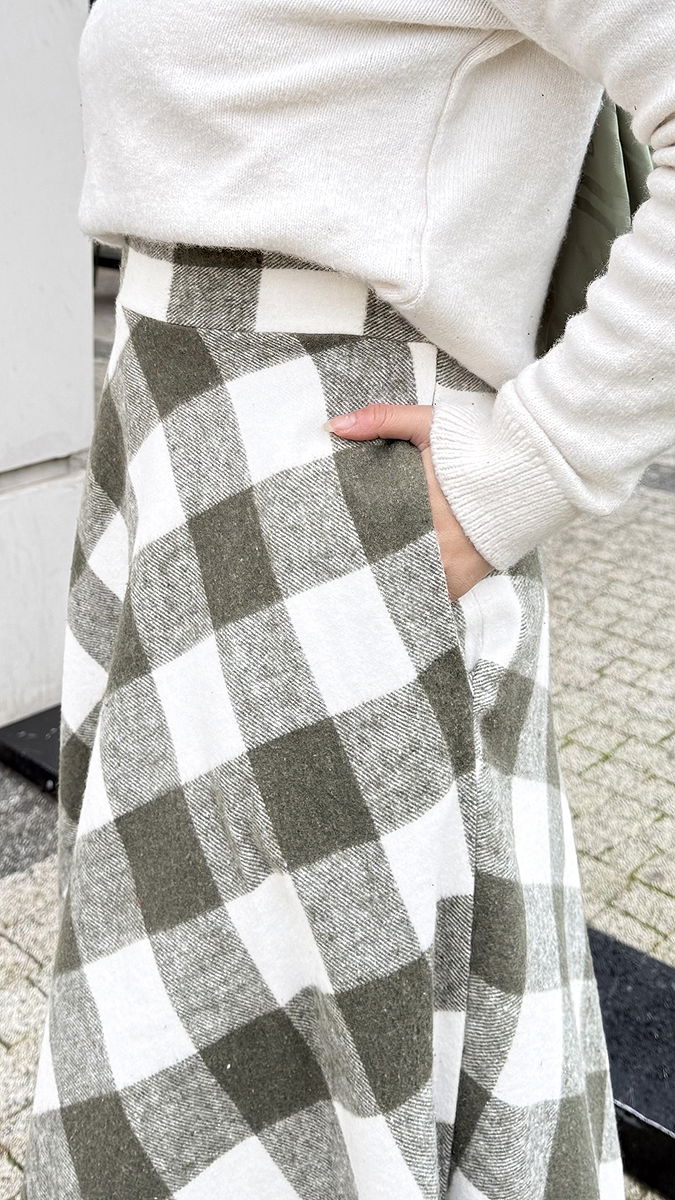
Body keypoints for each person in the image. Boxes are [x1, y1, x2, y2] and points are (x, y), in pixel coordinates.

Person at [23, 2, 675, 1197]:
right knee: (194, 1023)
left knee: (329, 1079)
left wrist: (535, 465)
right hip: (180, 471)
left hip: (329, 507)